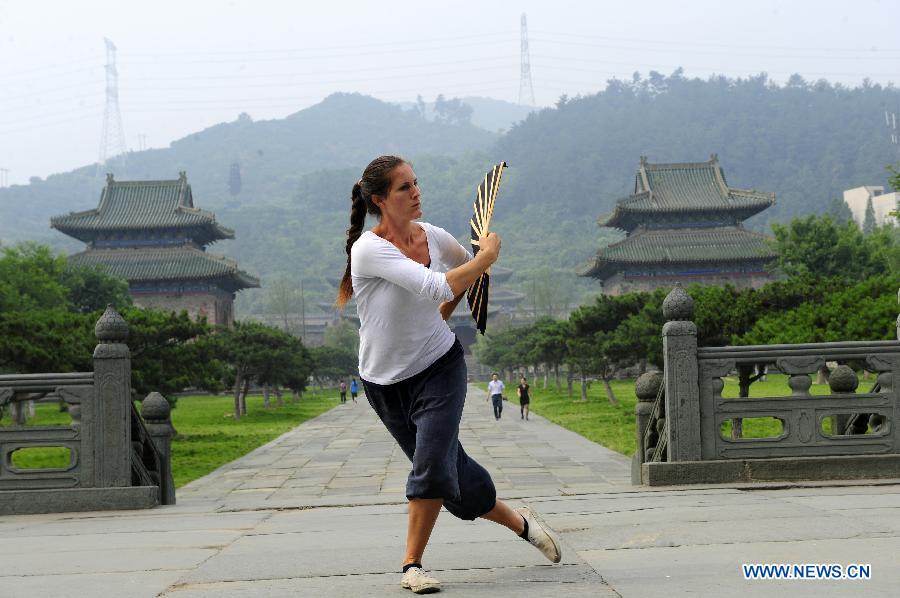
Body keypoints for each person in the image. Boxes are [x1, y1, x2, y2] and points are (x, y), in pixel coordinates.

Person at [336, 155, 561, 594]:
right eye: (404, 188)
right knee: (454, 483)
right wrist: (487, 256)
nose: (416, 192)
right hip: (384, 384)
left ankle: (411, 565)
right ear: (381, 200)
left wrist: (465, 284)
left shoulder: (434, 237)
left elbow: (465, 277)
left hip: (440, 366)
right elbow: (439, 284)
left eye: (416, 183)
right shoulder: (368, 248)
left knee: (432, 465)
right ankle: (522, 523)